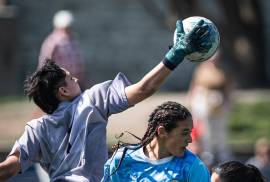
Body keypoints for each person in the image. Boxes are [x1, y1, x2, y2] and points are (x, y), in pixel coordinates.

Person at [0, 19, 211, 181]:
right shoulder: (92, 99)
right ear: (63, 90)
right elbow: (144, 88)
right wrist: (175, 55)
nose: (76, 78)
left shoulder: (36, 129)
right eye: (71, 78)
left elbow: (9, 168)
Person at [103, 101, 211, 181]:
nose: (190, 139)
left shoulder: (192, 167)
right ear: (162, 131)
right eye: (184, 133)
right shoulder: (122, 160)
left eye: (190, 133)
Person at [187, 51, 233, 167]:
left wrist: (228, 101)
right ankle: (208, 153)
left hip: (219, 102)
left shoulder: (224, 70)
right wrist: (192, 100)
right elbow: (195, 85)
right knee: (206, 130)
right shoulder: (202, 69)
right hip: (204, 102)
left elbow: (228, 87)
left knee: (220, 129)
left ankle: (222, 153)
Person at [38, 10, 86, 89]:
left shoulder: (73, 40)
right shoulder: (52, 42)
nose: (67, 30)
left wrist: (82, 78)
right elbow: (44, 64)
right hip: (60, 83)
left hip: (76, 81)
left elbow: (79, 62)